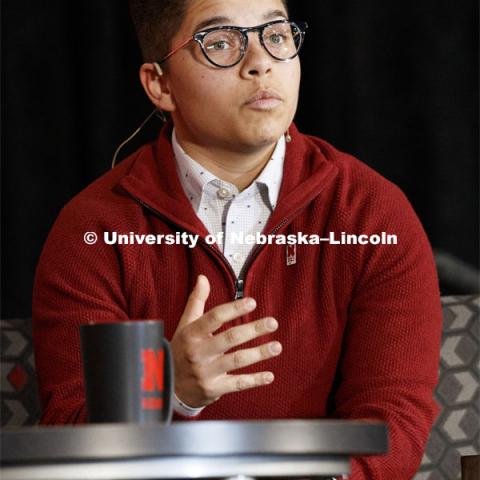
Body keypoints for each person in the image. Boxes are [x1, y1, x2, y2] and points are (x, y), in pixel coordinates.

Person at [32, 0, 442, 478]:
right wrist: (169, 391)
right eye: (221, 42)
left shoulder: (371, 213)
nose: (260, 62)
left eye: (277, 35)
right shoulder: (93, 230)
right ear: (160, 85)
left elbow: (393, 421)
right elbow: (68, 430)